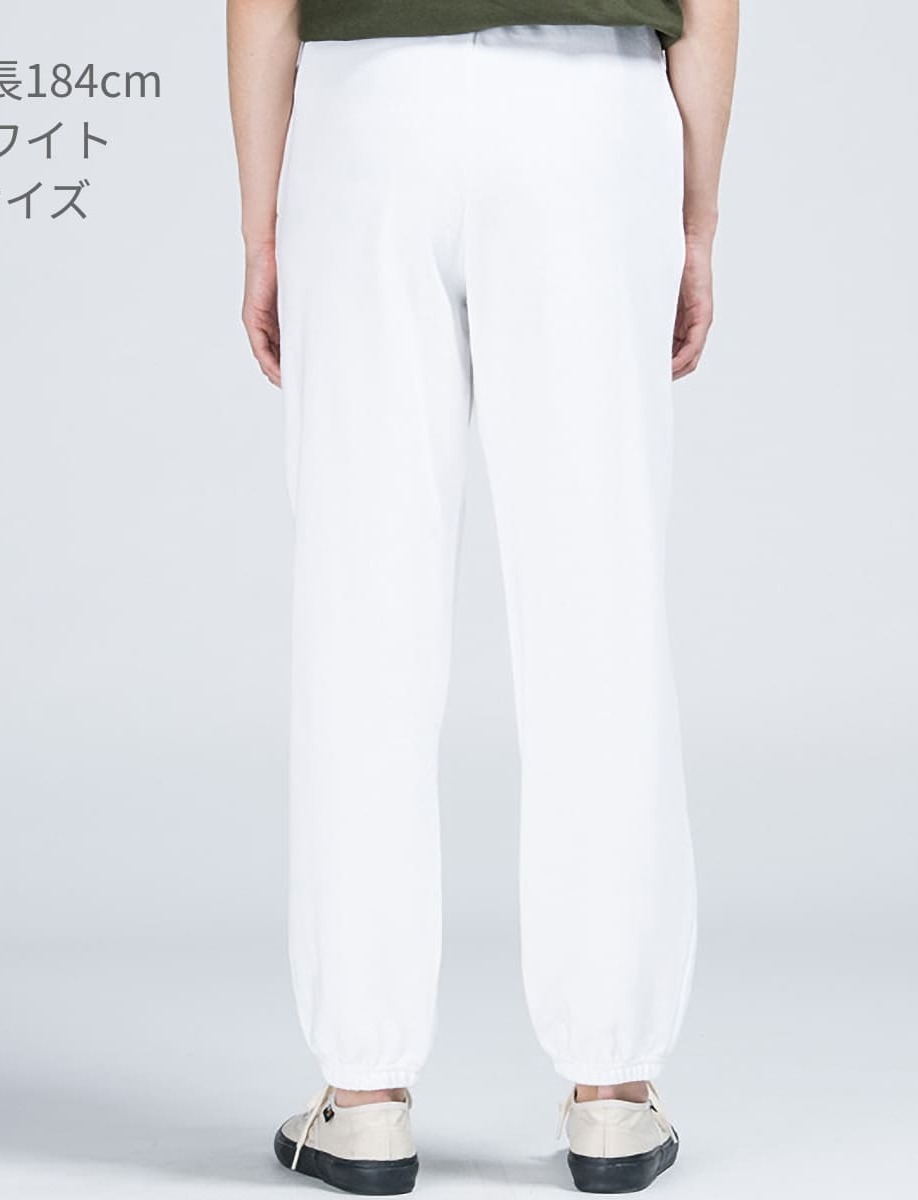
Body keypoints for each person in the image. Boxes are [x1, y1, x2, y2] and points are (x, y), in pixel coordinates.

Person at [226, 1, 738, 1192]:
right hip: (592, 115)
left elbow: (263, 2)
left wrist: (262, 223)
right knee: (598, 601)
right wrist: (696, 215)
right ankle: (612, 1092)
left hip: (366, 109)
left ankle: (363, 1096)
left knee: (362, 607)